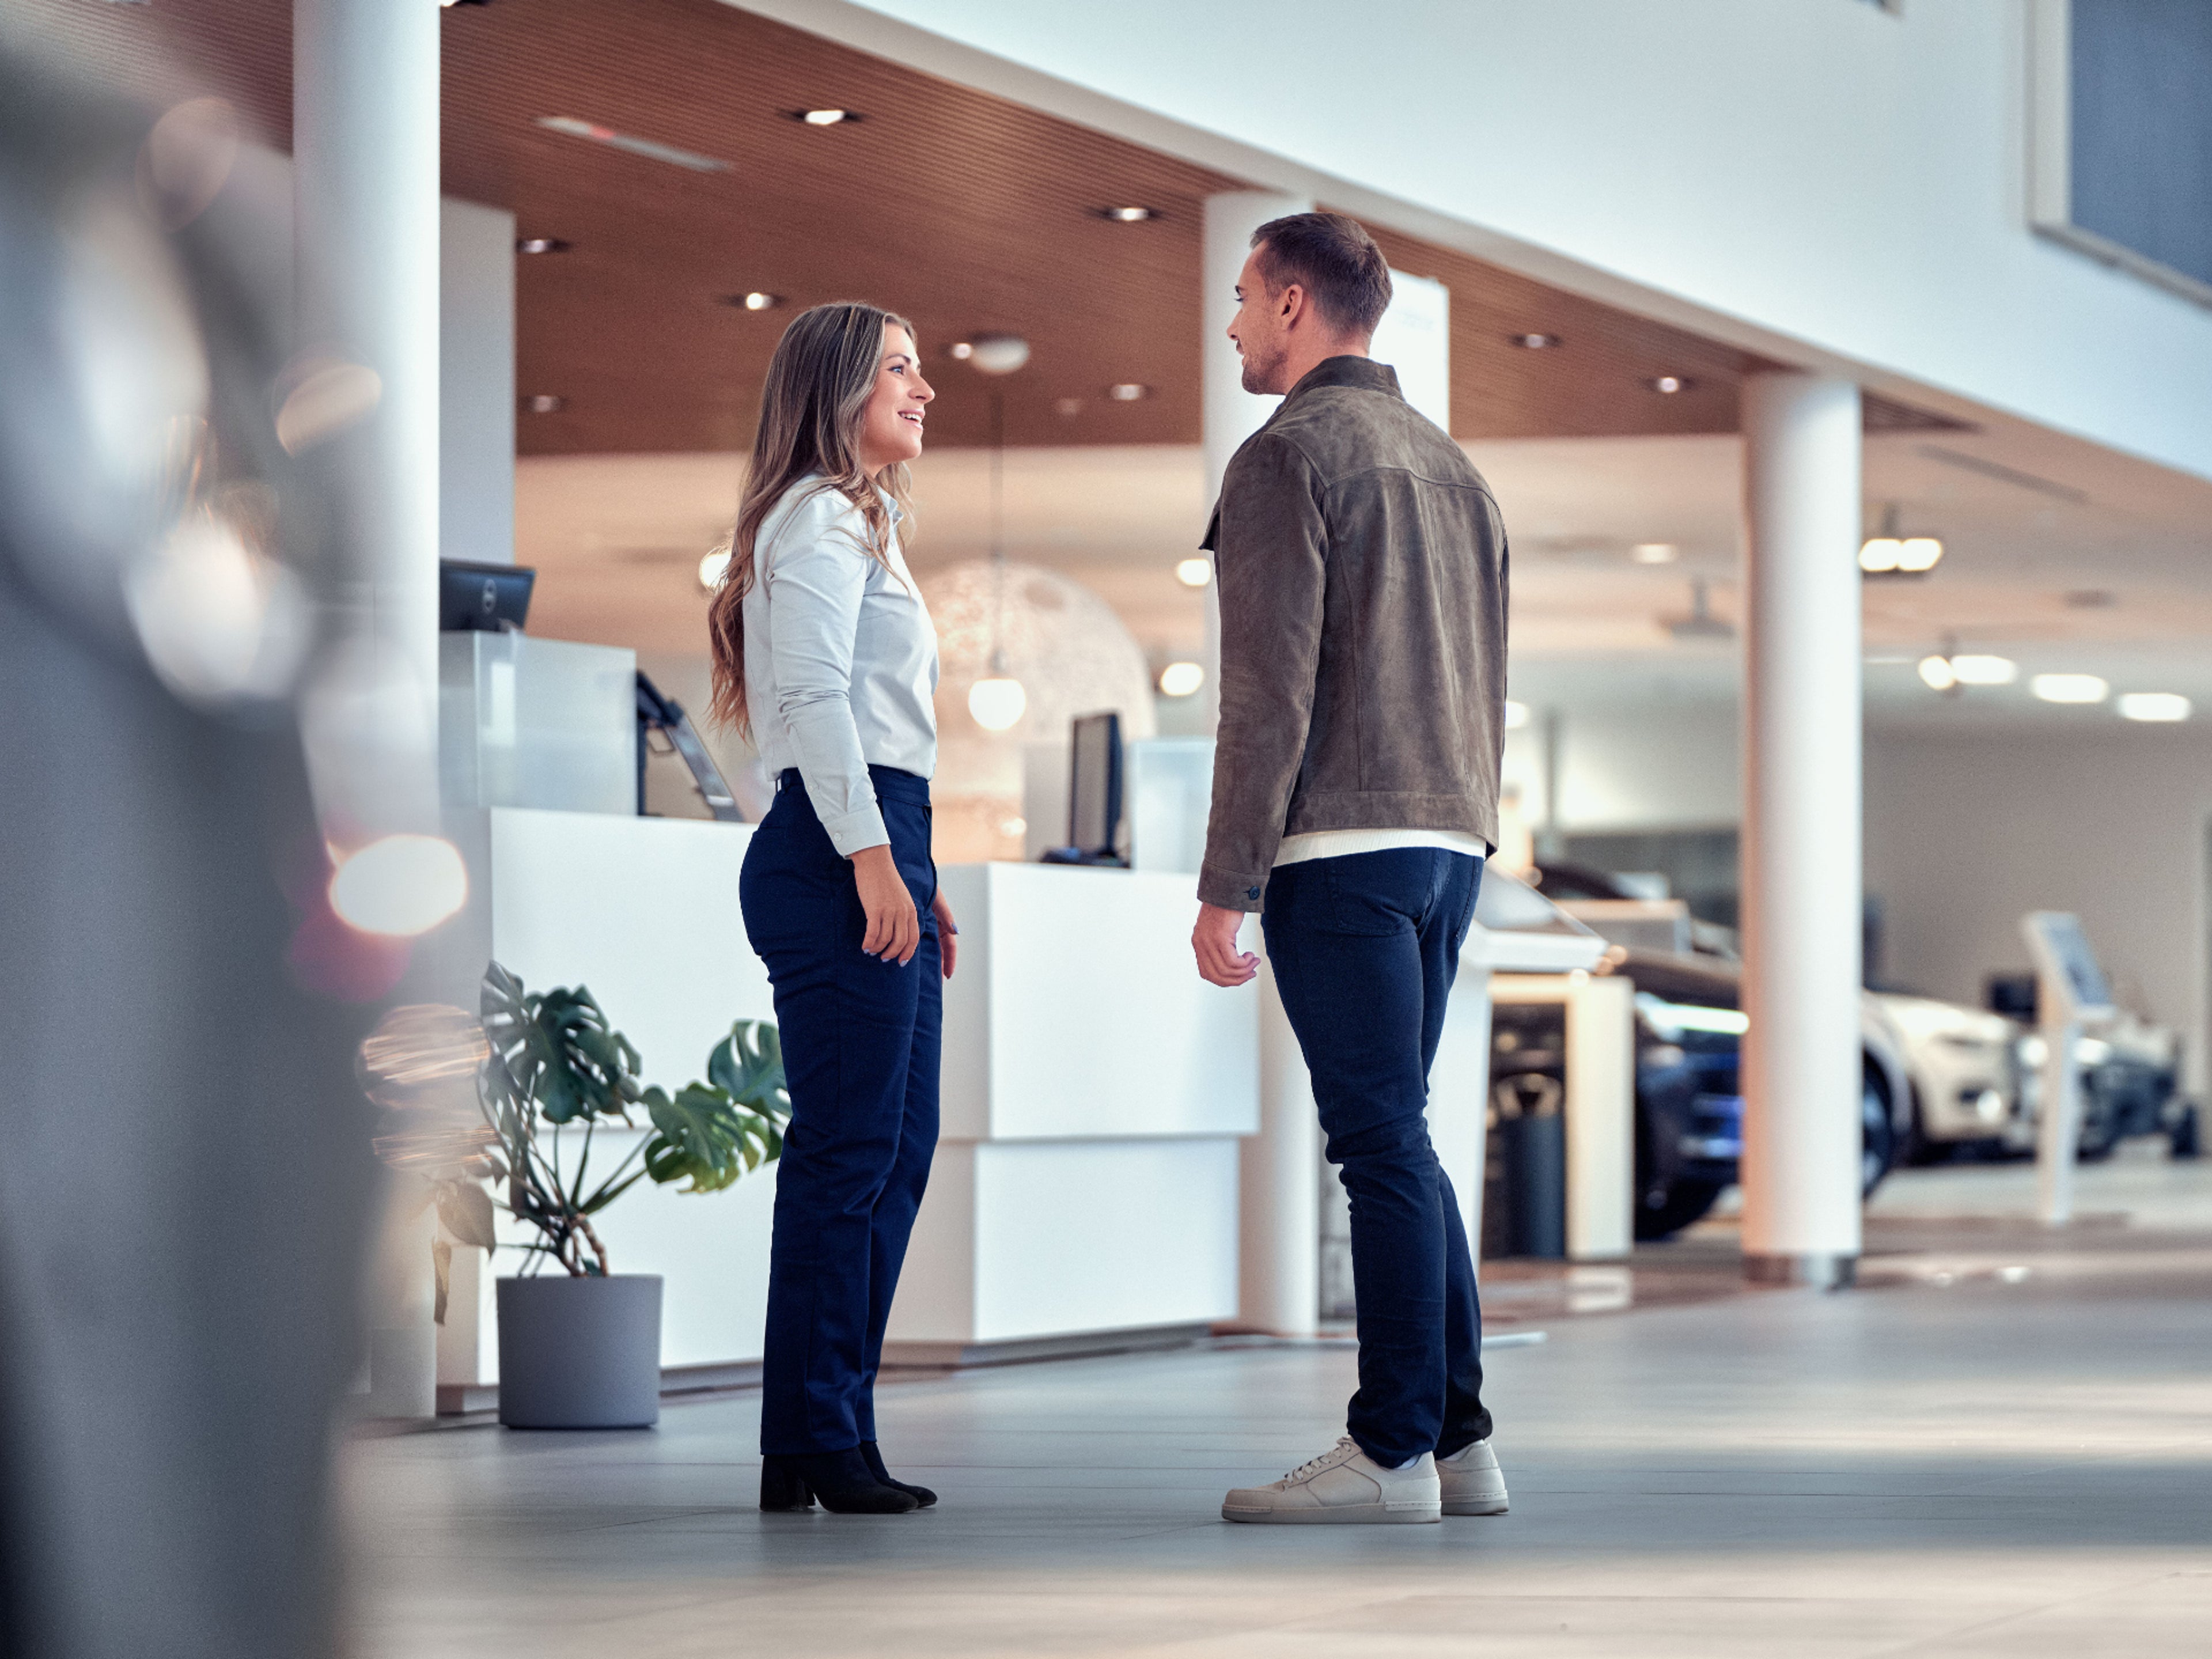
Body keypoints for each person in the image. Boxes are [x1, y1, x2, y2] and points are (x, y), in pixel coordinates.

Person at [1191, 213, 1512, 1526]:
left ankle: (1386, 1451)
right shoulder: (1455, 469)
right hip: (1448, 842)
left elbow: (1266, 693)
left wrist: (1229, 879)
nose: (1231, 324)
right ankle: (1460, 1444)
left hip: (1341, 846)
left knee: (1377, 1144)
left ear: (1295, 306)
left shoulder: (1289, 459)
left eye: (1243, 296)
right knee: (1403, 1143)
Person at [707, 302, 954, 1516]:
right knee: (848, 1153)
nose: (923, 388)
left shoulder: (864, 523)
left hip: (877, 832)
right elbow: (810, 699)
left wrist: (916, 868)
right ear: (841, 389)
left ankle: (830, 1422)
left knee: (892, 1150)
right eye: (899, 369)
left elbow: (881, 718)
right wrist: (870, 856)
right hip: (829, 842)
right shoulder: (815, 517)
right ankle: (810, 1435)